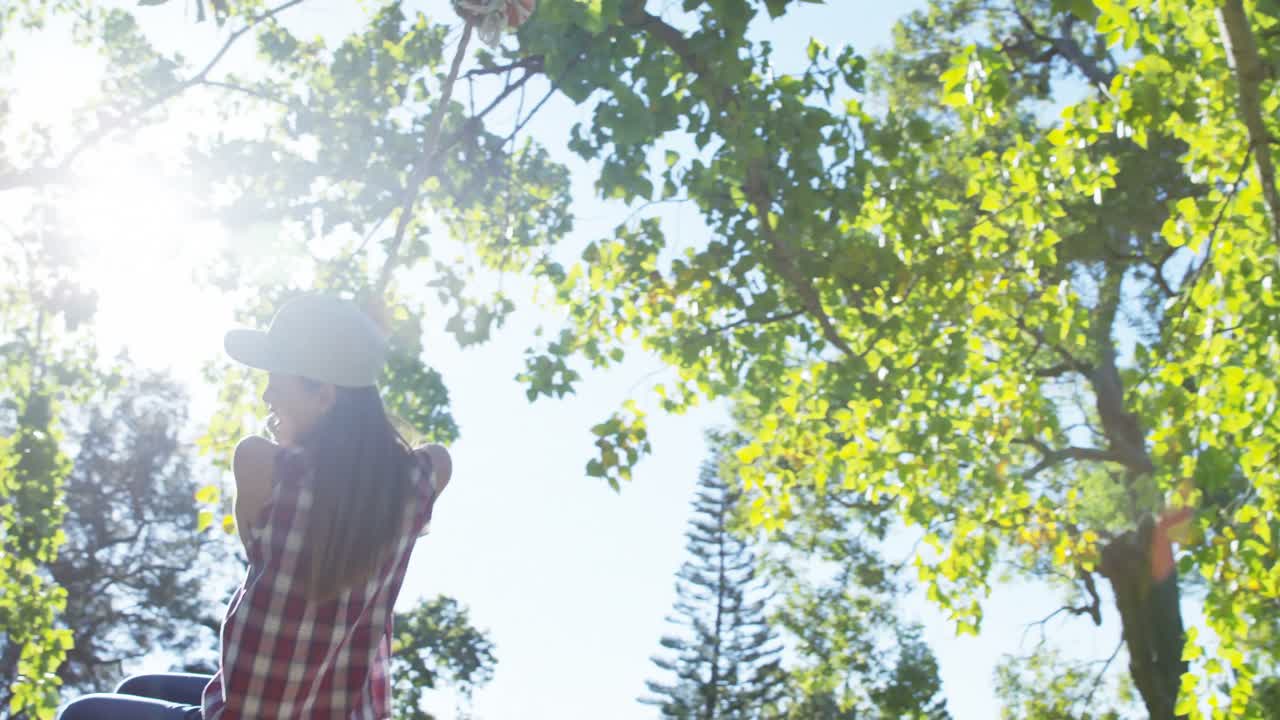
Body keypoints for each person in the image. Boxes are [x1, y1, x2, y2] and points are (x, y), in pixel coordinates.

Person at [58, 294, 452, 719]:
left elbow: (254, 543)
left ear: (323, 394)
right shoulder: (417, 482)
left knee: (83, 714)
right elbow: (433, 456)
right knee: (139, 687)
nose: (267, 394)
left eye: (276, 378)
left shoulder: (261, 465)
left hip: (252, 712)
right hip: (336, 711)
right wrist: (358, 351)